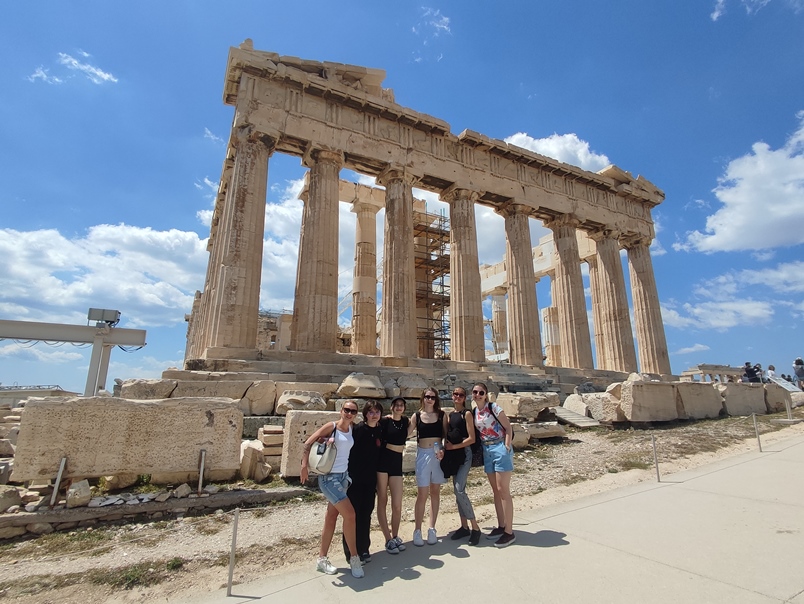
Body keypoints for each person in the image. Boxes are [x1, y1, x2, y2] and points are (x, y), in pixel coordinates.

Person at [300, 401, 364, 578]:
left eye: (353, 411)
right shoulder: (332, 426)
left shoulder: (351, 428)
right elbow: (308, 442)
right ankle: (354, 558)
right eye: (346, 410)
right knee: (350, 515)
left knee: (331, 518)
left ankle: (322, 559)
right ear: (341, 410)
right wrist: (304, 466)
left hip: (343, 477)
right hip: (329, 478)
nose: (349, 413)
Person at [472, 382, 516, 548]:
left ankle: (509, 532)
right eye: (475, 392)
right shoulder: (475, 411)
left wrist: (506, 446)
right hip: (487, 450)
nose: (477, 395)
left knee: (503, 490)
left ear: (486, 394)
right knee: (496, 490)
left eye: (481, 392)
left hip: (500, 448)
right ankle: (501, 526)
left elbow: (508, 427)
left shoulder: (494, 408)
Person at [341, 401, 383, 564]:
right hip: (355, 480)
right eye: (371, 412)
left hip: (370, 480)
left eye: (377, 412)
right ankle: (350, 552)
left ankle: (364, 548)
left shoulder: (380, 430)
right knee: (353, 516)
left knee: (366, 515)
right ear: (365, 414)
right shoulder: (358, 429)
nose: (374, 415)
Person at [408, 387, 448, 546]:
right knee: (422, 494)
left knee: (435, 491)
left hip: (437, 455)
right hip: (423, 454)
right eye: (427, 396)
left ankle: (432, 528)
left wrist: (444, 450)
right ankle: (417, 530)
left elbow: (446, 435)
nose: (430, 399)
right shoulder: (416, 416)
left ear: (436, 399)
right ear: (423, 398)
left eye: (432, 397)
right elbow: (407, 432)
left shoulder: (442, 415)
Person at [443, 386, 481, 545]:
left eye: (460, 395)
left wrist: (453, 447)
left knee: (459, 490)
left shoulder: (467, 414)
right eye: (455, 394)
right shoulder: (450, 415)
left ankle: (475, 527)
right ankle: (464, 526)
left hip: (464, 453)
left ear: (465, 398)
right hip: (454, 456)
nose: (457, 396)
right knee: (457, 491)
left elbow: (472, 438)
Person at [376, 397, 409, 555]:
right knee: (382, 500)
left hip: (397, 464)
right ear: (391, 407)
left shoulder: (405, 421)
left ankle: (395, 536)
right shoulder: (384, 421)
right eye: (396, 405)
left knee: (397, 504)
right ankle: (387, 539)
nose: (399, 408)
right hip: (382, 462)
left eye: (401, 405)